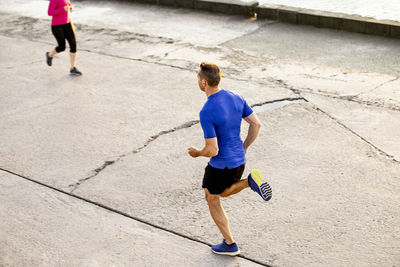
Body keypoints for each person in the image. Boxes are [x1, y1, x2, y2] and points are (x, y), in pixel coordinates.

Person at [188, 62, 272, 256]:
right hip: (239, 161)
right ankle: (248, 182)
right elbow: (256, 125)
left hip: (221, 165)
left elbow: (212, 150)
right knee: (222, 193)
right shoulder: (236, 96)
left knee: (212, 197)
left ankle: (229, 243)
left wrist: (197, 153)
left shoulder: (207, 110)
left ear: (203, 83)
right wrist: (244, 147)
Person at [46, 0, 82, 76]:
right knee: (62, 47)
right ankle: (50, 55)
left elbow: (67, 4)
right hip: (57, 26)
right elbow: (50, 12)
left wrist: (70, 7)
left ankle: (73, 68)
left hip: (67, 24)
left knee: (73, 44)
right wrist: (63, 9)